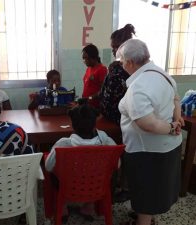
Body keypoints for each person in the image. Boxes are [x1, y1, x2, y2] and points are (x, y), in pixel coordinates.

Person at [116, 39, 183, 225]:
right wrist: (176, 121)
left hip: (147, 152)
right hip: (166, 148)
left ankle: (143, 221)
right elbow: (176, 99)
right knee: (156, 188)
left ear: (129, 62)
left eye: (122, 62)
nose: (122, 66)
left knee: (146, 191)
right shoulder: (162, 74)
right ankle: (147, 217)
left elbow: (148, 124)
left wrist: (172, 127)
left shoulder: (138, 87)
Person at [45, 101, 116, 223]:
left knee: (53, 170)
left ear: (73, 124)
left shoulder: (63, 144)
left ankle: (63, 208)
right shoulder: (106, 140)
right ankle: (88, 208)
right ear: (95, 123)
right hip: (97, 185)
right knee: (97, 172)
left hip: (68, 186)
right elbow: (117, 164)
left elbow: (48, 167)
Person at [99, 24, 135, 125]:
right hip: (107, 117)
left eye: (115, 47)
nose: (113, 50)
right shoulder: (115, 67)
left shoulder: (132, 70)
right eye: (112, 47)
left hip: (121, 121)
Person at [82, 44, 108, 108]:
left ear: (93, 57)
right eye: (83, 58)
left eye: (86, 58)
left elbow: (103, 90)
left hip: (96, 107)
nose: (85, 61)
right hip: (87, 104)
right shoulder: (89, 68)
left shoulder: (102, 69)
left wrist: (90, 98)